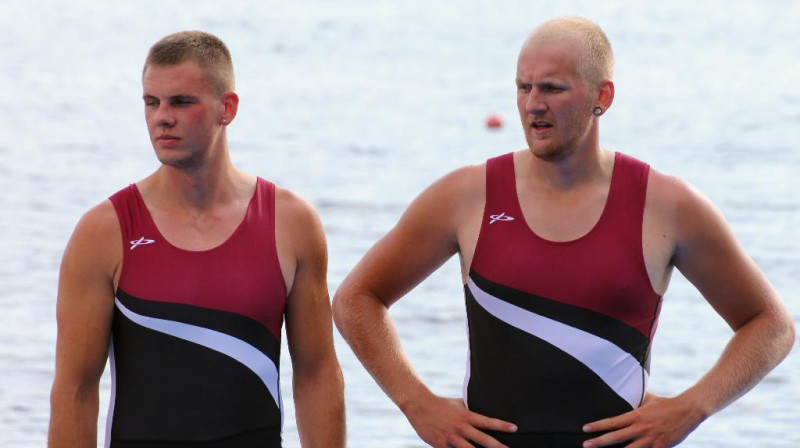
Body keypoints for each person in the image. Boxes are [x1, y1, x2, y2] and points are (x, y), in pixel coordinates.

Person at [332, 16, 794, 448]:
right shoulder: (466, 196)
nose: (533, 104)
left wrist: (692, 408)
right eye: (523, 87)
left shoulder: (667, 205)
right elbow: (357, 298)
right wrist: (417, 403)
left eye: (552, 88)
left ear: (603, 96)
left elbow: (769, 325)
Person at [48, 31, 345, 448]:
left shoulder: (292, 224)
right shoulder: (105, 231)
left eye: (181, 102)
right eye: (151, 102)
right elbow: (75, 391)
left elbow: (317, 375)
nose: (161, 117)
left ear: (228, 108)